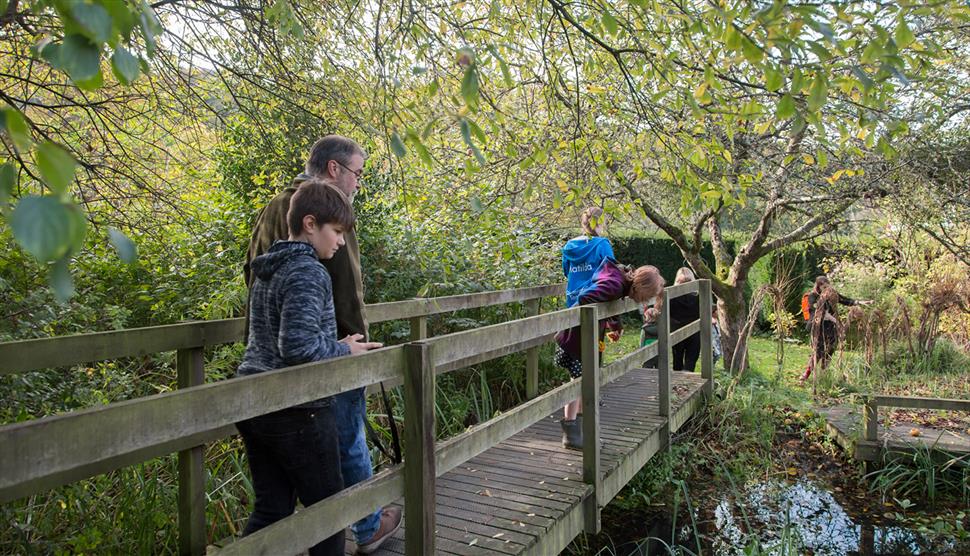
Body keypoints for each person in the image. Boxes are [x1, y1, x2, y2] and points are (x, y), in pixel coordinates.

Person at [245, 136, 402, 554]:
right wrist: (342, 347)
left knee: (274, 504)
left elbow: (257, 276)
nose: (358, 184)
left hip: (267, 375)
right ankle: (367, 527)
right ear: (335, 169)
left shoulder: (290, 212)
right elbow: (314, 310)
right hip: (319, 366)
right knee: (341, 459)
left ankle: (356, 526)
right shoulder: (311, 216)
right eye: (357, 174)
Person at [555, 263, 666, 449]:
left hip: (583, 339)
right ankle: (571, 434)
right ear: (642, 288)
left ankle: (582, 434)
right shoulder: (615, 285)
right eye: (647, 296)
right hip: (574, 339)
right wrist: (601, 319)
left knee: (584, 383)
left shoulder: (619, 283)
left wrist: (614, 325)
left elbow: (608, 303)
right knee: (578, 384)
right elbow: (586, 298)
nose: (645, 300)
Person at [556, 207, 614, 447]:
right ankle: (574, 433)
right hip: (594, 312)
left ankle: (575, 430)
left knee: (578, 373)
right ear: (601, 223)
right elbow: (609, 276)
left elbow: (566, 272)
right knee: (585, 374)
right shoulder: (602, 245)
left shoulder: (570, 247)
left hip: (572, 311)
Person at [801, 275, 871, 382]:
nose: (826, 290)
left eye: (827, 287)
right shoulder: (813, 296)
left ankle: (824, 373)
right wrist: (834, 320)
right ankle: (807, 373)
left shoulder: (831, 294)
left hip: (830, 326)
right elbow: (818, 311)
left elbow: (844, 299)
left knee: (831, 348)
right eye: (823, 288)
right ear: (818, 287)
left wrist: (859, 302)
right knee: (818, 351)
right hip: (818, 327)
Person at [668, 267, 701, 372]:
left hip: (676, 330)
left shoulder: (670, 296)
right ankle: (687, 383)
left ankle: (677, 384)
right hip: (694, 332)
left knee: (677, 361)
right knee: (691, 361)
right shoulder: (699, 296)